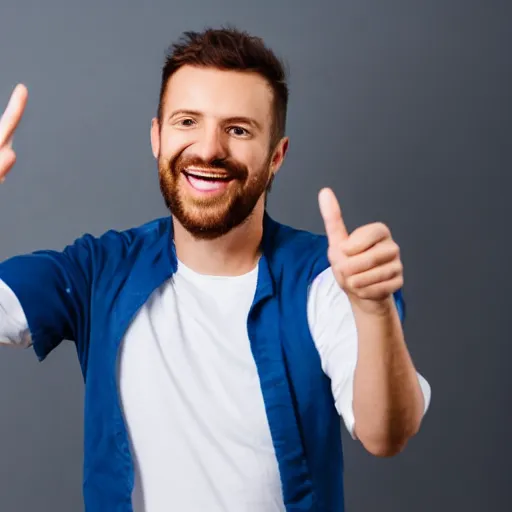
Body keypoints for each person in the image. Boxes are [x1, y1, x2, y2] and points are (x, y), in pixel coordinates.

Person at [0, 27, 431, 512]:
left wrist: (373, 312)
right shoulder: (98, 271)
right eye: (187, 121)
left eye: (239, 129)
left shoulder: (329, 280)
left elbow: (386, 434)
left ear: (276, 158)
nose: (208, 149)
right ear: (157, 138)